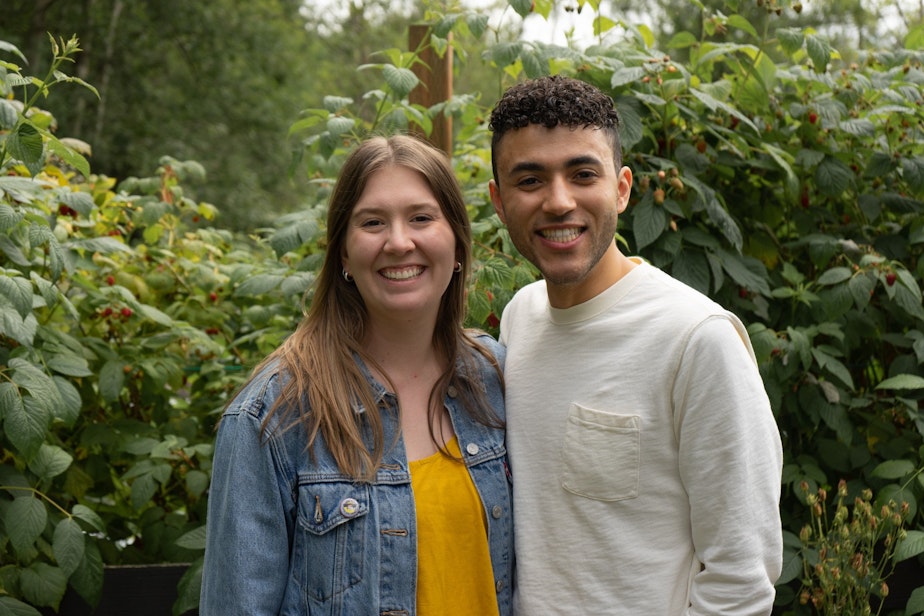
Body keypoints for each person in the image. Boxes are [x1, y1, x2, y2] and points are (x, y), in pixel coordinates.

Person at [487, 74, 783, 615]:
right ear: (499, 202)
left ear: (622, 188)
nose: (558, 202)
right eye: (529, 180)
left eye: (582, 174)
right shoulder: (520, 318)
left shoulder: (697, 340)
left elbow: (741, 578)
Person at [200, 134, 513, 615]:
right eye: (372, 222)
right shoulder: (273, 417)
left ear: (457, 245)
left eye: (422, 217)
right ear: (343, 254)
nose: (399, 241)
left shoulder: (498, 380)